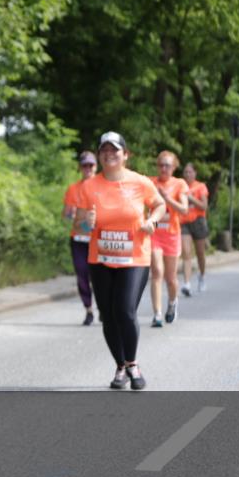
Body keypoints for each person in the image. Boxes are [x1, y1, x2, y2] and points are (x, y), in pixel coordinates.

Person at [75, 132, 165, 390]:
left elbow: (160, 206)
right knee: (109, 316)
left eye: (114, 150)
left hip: (135, 258)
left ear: (126, 154)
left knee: (125, 310)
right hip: (100, 259)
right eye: (104, 150)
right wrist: (86, 223)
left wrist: (152, 221)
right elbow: (80, 223)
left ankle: (133, 363)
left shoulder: (140, 182)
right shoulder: (89, 186)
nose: (108, 154)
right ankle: (120, 365)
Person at [148, 151, 189, 327]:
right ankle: (156, 314)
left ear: (174, 167)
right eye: (161, 165)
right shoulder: (150, 183)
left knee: (171, 278)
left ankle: (172, 303)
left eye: (167, 165)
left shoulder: (179, 183)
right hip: (154, 234)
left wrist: (166, 198)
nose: (163, 168)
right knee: (157, 271)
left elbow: (184, 209)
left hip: (172, 235)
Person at [63, 151, 98, 325]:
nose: (88, 168)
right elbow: (66, 214)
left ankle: (104, 308)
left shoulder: (101, 186)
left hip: (97, 239)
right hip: (78, 238)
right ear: (80, 167)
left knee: (98, 276)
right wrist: (72, 213)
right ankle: (89, 309)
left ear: (96, 166)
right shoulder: (73, 189)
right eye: (85, 165)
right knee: (81, 274)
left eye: (91, 165)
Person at [179, 163, 209, 295]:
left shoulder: (200, 187)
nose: (187, 175)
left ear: (195, 173)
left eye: (190, 172)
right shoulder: (180, 186)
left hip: (198, 221)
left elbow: (204, 206)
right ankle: (186, 283)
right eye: (185, 172)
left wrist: (190, 198)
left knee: (200, 253)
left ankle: (202, 276)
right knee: (186, 252)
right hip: (184, 222)